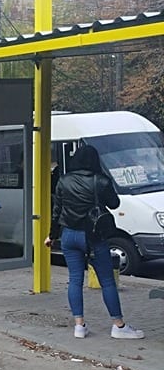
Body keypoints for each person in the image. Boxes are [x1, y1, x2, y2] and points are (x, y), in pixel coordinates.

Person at [45, 145, 143, 340]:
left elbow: (57, 211)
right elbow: (115, 203)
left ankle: (79, 326)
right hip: (93, 236)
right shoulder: (101, 181)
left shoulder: (63, 181)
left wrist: (52, 235)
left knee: (74, 280)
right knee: (107, 282)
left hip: (69, 236)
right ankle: (118, 326)